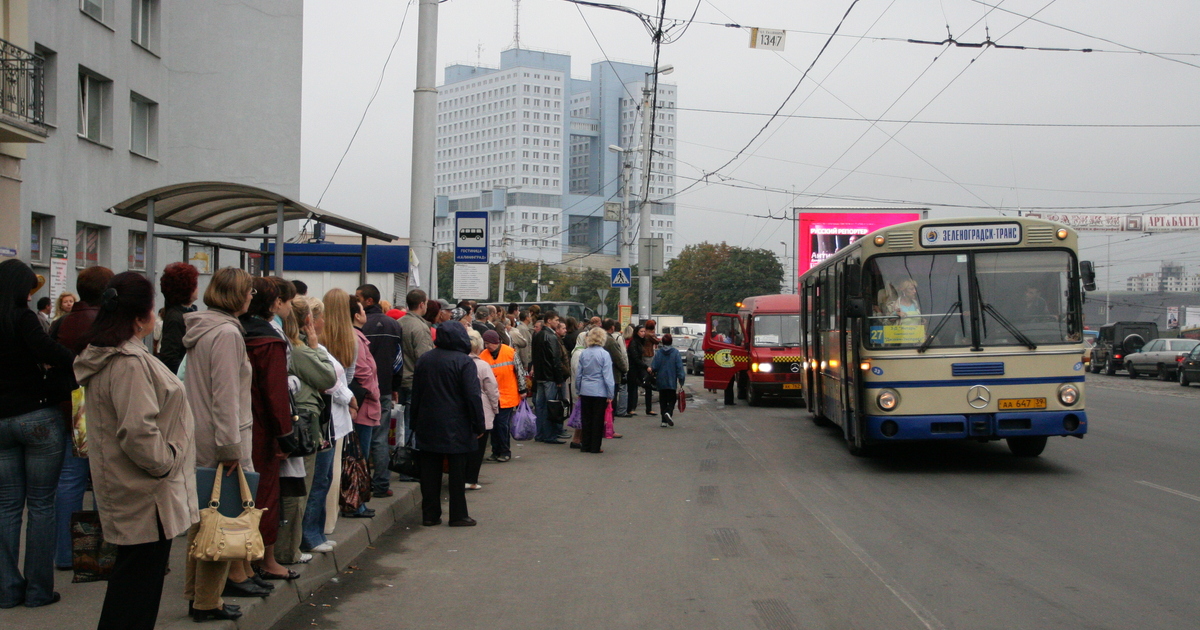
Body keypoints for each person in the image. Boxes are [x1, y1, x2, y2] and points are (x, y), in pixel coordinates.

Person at [73, 272, 198, 630]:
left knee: (132, 589)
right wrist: (167, 461)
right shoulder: (128, 362)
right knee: (135, 595)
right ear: (142, 315)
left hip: (133, 488)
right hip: (145, 493)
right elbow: (138, 431)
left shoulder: (114, 355)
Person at [181, 267, 255, 620]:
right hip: (223, 438)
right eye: (249, 291)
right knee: (221, 522)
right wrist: (231, 449)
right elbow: (226, 396)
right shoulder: (227, 334)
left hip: (200, 433)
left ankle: (197, 595)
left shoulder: (203, 328)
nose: (252, 297)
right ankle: (208, 602)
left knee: (203, 520)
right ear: (237, 295)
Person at [0, 259, 73, 609]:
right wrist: (72, 358)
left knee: (7, 507)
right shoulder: (23, 317)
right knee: (42, 505)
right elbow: (50, 352)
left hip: (0, 423)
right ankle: (38, 591)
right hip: (36, 416)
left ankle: (6, 589)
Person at [48, 265, 114, 572]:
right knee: (105, 482)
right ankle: (104, 552)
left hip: (68, 408)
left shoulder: (60, 324)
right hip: (102, 409)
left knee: (69, 482)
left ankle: (66, 554)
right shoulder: (109, 325)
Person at [238, 277, 294, 582]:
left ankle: (239, 563)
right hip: (260, 429)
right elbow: (275, 393)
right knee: (265, 494)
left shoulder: (230, 332)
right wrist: (284, 435)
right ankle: (265, 559)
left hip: (228, 423)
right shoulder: (267, 341)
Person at [276, 297, 335, 566]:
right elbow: (328, 377)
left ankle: (288, 547)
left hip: (300, 419)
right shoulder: (298, 349)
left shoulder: (291, 346)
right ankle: (289, 550)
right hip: (302, 422)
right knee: (298, 489)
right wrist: (316, 347)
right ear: (308, 320)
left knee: (298, 488)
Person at [410, 322, 486, 527]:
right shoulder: (464, 361)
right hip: (457, 423)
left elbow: (416, 392)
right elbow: (472, 396)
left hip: (428, 421)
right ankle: (458, 514)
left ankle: (430, 514)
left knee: (429, 472)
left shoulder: (425, 359)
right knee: (457, 471)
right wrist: (479, 424)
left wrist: (414, 421)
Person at [304, 290, 358, 553]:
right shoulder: (309, 350)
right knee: (320, 480)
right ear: (312, 320)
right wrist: (349, 396)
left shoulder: (318, 347)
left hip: (333, 420)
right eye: (320, 316)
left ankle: (318, 532)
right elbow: (328, 379)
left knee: (325, 478)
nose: (324, 321)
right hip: (325, 421)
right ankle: (311, 535)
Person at [354, 284, 404, 497]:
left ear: (368, 301)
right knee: (380, 437)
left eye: (358, 298)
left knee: (362, 438)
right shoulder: (394, 325)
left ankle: (360, 484)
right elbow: (398, 360)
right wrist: (394, 386)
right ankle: (382, 484)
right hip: (384, 387)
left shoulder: (361, 326)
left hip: (361, 389)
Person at [345, 297, 380, 518]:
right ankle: (355, 504)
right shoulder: (356, 338)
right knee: (359, 456)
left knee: (361, 456)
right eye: (362, 310)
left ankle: (359, 502)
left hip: (365, 404)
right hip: (364, 404)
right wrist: (374, 393)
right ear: (357, 315)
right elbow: (362, 371)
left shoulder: (357, 336)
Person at [398, 290, 434, 473]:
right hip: (414, 381)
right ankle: (409, 466)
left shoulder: (399, 323)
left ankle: (399, 459)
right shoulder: (419, 327)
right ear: (422, 304)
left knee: (400, 426)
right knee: (412, 425)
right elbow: (424, 358)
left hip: (400, 380)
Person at [480, 329, 524, 463]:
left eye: (490, 343)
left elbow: (519, 371)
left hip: (508, 395)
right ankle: (496, 451)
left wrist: (523, 389)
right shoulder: (483, 355)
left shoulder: (510, 352)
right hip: (491, 396)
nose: (488, 346)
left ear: (497, 342)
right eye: (485, 343)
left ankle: (504, 451)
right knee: (493, 425)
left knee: (502, 424)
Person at [464, 330, 499, 490]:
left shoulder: (459, 362)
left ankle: (460, 477)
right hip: (482, 410)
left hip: (461, 411)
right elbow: (492, 389)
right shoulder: (482, 365)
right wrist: (495, 407)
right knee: (478, 448)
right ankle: (471, 479)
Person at [575, 328, 615, 454]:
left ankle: (585, 445)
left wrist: (578, 390)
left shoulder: (584, 353)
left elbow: (579, 374)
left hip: (585, 389)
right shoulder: (604, 354)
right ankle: (595, 446)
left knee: (586, 419)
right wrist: (610, 393)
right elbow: (608, 376)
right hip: (600, 390)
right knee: (597, 420)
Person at [156, 262, 199, 375]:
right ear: (186, 288)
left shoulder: (189, 312)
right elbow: (170, 358)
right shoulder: (176, 318)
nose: (197, 288)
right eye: (195, 284)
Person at [531, 310, 566, 444]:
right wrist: (558, 378)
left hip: (539, 375)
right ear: (549, 321)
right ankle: (550, 435)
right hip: (550, 376)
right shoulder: (551, 337)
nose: (558, 323)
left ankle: (539, 433)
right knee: (551, 406)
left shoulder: (537, 335)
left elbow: (534, 355)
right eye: (556, 320)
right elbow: (555, 359)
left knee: (540, 406)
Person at [650, 333, 686, 427]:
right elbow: (679, 367)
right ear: (671, 341)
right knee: (672, 399)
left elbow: (654, 366)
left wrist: (652, 370)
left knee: (663, 400)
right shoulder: (675, 353)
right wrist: (681, 380)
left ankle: (663, 421)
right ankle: (668, 412)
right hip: (671, 380)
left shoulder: (659, 353)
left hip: (661, 380)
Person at [602, 319, 631, 419]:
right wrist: (625, 369)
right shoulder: (610, 341)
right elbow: (618, 357)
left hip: (603, 374)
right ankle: (609, 425)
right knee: (611, 399)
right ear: (612, 327)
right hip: (613, 374)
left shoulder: (602, 338)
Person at [626, 325, 650, 416]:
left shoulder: (640, 342)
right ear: (636, 332)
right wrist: (645, 366)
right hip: (633, 368)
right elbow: (635, 357)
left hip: (638, 367)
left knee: (643, 386)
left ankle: (639, 408)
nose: (643, 333)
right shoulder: (634, 342)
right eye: (641, 331)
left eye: (644, 331)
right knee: (632, 388)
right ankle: (630, 408)